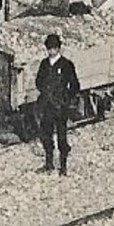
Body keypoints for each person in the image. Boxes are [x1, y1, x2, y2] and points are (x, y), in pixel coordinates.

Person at [35, 34, 81, 176]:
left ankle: (63, 166)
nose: (51, 51)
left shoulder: (66, 65)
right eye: (49, 49)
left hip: (60, 107)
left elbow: (75, 85)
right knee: (46, 135)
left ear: (58, 48)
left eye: (54, 48)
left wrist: (65, 99)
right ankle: (49, 163)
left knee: (62, 136)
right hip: (47, 106)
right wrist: (44, 93)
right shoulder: (44, 64)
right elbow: (38, 81)